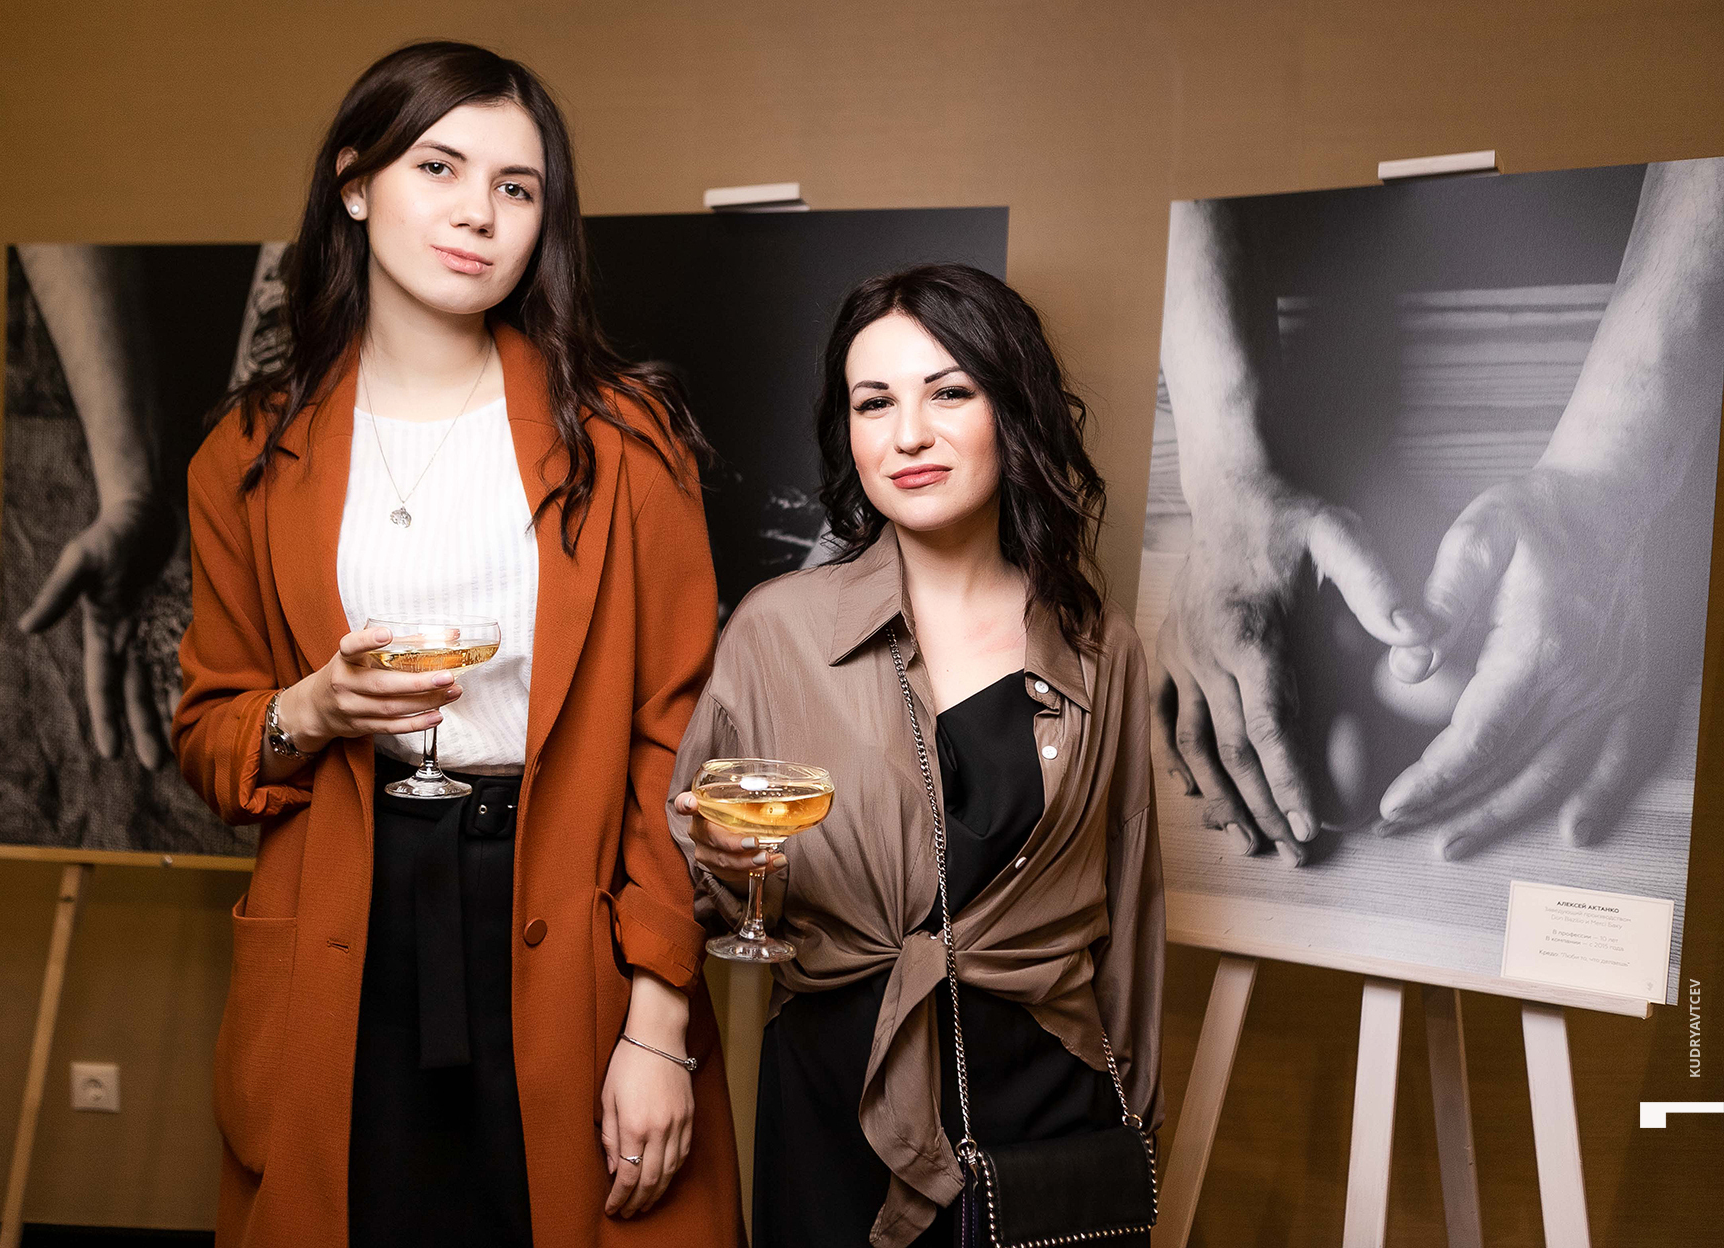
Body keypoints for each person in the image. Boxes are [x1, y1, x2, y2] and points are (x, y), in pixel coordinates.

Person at [170, 41, 744, 1248]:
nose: (479, 213)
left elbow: (676, 744)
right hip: (346, 922)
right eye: (439, 167)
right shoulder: (248, 454)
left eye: (516, 187)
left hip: (569, 920)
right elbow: (213, 739)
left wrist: (658, 1024)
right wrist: (311, 711)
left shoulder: (627, 442)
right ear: (355, 184)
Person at [669, 264, 1165, 1247]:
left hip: (1052, 1105)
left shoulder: (1098, 645)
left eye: (948, 393)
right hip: (836, 1096)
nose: (908, 435)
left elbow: (1131, 904)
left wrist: (1135, 1130)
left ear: (1012, 409)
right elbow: (694, 865)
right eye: (874, 403)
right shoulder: (778, 629)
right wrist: (721, 867)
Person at [1155, 157, 1724, 862]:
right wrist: (1223, 466)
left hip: (1604, 204)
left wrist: (1621, 466)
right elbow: (1161, 102)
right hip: (1293, 227)